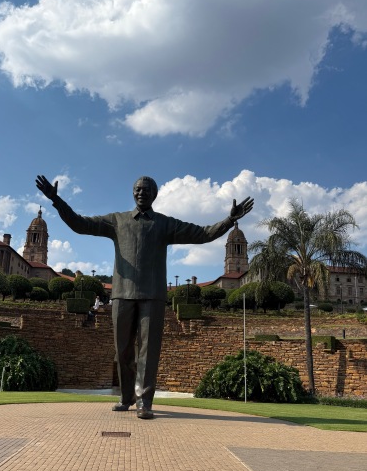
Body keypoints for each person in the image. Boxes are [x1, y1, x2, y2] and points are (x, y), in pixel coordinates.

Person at [36, 174, 253, 419]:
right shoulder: (117, 221)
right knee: (123, 350)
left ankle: (144, 401)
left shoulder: (164, 224)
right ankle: (126, 396)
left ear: (154, 195)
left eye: (147, 189)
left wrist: (228, 220)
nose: (142, 193)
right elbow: (80, 224)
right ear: (133, 193)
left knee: (148, 351)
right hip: (122, 294)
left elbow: (202, 234)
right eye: (138, 189)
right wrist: (57, 200)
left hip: (153, 295)